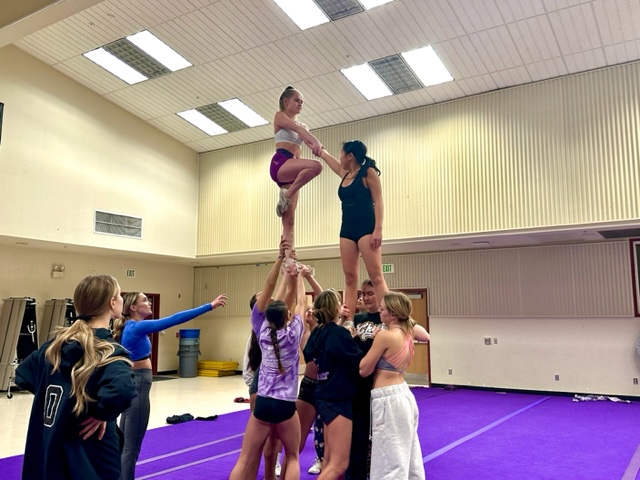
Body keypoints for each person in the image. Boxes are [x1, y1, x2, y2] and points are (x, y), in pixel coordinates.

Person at [15, 274, 137, 480]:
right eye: (119, 294)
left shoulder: (54, 346)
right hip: (89, 446)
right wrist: (101, 414)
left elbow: (24, 374)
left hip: (51, 440)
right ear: (112, 303)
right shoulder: (108, 351)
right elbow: (122, 390)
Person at [113, 291, 227, 480]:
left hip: (135, 382)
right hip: (138, 384)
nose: (149, 303)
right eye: (145, 301)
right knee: (130, 448)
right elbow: (175, 319)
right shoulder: (136, 327)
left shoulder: (129, 327)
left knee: (125, 444)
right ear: (133, 307)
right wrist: (210, 306)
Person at [229, 241, 306, 480]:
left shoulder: (260, 329)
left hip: (263, 401)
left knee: (245, 457)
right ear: (288, 317)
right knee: (292, 456)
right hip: (285, 404)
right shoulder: (294, 333)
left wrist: (280, 260)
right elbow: (300, 303)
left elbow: (270, 286)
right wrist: (297, 275)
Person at [359, 292, 430, 480]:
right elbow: (427, 336)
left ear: (393, 314)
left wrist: (375, 341)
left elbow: (364, 369)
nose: (379, 312)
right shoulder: (409, 331)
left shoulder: (385, 337)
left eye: (382, 309)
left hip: (388, 399)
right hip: (404, 395)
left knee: (389, 459)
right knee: (409, 454)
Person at [319, 141, 388, 323]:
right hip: (347, 229)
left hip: (366, 227)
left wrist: (378, 230)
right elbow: (332, 163)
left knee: (376, 276)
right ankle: (348, 320)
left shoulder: (368, 173)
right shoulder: (345, 174)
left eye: (342, 153)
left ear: (350, 156)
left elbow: (378, 201)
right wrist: (321, 151)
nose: (340, 157)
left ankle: (392, 317)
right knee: (350, 277)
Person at [303, 289, 363, 479]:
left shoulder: (318, 333)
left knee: (329, 460)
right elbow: (359, 362)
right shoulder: (338, 334)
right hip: (338, 398)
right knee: (339, 464)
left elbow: (312, 353)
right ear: (335, 307)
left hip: (324, 394)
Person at [272, 85, 324, 264]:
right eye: (297, 100)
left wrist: (319, 149)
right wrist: (315, 141)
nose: (300, 104)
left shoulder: (303, 125)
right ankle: (286, 195)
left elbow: (307, 142)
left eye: (302, 102)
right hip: (281, 163)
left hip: (294, 168)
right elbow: (301, 132)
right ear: (286, 102)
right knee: (316, 166)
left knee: (290, 220)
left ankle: (289, 261)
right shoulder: (280, 116)